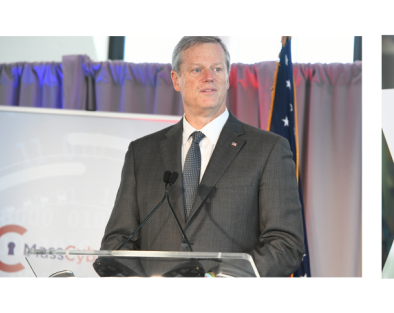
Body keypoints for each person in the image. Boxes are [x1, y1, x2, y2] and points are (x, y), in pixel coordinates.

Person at [98, 36, 306, 278]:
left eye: (217, 68)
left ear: (227, 77)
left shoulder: (268, 149)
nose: (210, 77)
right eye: (197, 69)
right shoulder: (142, 153)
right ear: (176, 79)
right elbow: (118, 240)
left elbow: (286, 243)